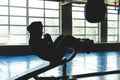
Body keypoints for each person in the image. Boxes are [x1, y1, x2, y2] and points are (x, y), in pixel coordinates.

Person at [27, 21, 93, 65]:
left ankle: (79, 45)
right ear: (36, 31)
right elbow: (51, 48)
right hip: (54, 57)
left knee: (62, 36)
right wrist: (49, 39)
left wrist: (47, 39)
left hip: (52, 55)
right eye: (41, 30)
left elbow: (50, 48)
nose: (42, 32)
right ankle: (83, 46)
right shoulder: (35, 42)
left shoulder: (34, 39)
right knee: (67, 37)